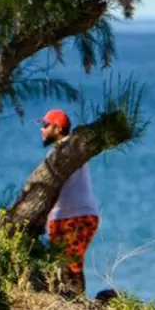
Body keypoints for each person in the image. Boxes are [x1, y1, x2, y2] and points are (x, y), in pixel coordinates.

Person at [39, 108, 101, 298]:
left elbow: (50, 187)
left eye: (45, 125)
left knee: (70, 264)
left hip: (75, 215)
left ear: (57, 128)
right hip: (71, 215)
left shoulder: (65, 151)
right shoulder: (66, 150)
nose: (42, 129)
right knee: (68, 264)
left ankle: (77, 302)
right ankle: (74, 301)